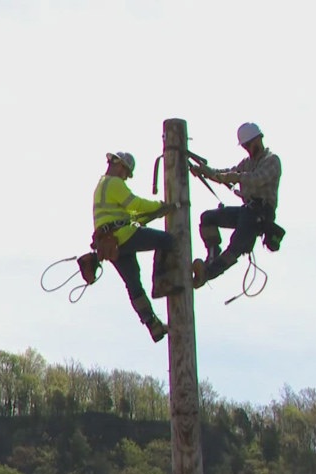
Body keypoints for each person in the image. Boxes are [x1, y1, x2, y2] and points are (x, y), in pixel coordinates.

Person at [91, 151, 179, 342]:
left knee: (133, 284)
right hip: (123, 236)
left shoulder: (101, 185)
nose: (125, 177)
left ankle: (152, 325)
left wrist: (154, 213)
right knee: (167, 241)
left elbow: (128, 214)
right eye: (126, 173)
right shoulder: (113, 183)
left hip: (112, 244)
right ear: (119, 165)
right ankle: (160, 281)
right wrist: (161, 205)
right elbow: (135, 204)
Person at [190, 122, 284, 287]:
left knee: (236, 246)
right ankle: (212, 255)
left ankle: (209, 273)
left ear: (258, 139)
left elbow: (257, 179)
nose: (247, 148)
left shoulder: (272, 160)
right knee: (208, 218)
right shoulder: (247, 163)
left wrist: (233, 177)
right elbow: (226, 173)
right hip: (247, 211)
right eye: (245, 146)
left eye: (249, 144)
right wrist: (205, 171)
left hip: (260, 214)